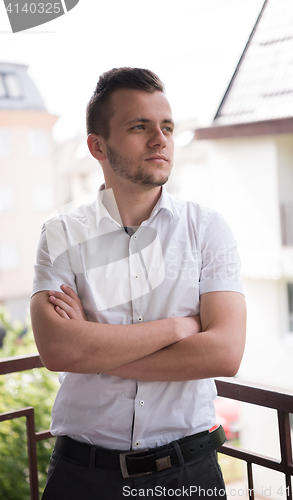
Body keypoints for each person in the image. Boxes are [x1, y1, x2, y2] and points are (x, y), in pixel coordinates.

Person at [30, 67, 246, 499]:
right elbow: (57, 350)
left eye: (166, 126)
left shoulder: (208, 230)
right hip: (83, 476)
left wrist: (90, 348)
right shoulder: (61, 234)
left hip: (189, 474)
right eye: (139, 127)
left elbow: (224, 353)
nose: (160, 139)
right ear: (97, 146)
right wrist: (179, 329)